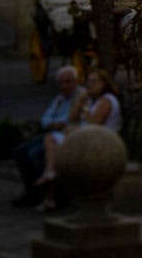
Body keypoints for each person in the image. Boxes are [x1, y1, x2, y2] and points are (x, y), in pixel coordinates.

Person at [37, 68, 121, 212]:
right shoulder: (92, 100)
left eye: (95, 82)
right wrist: (82, 100)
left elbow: (95, 123)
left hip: (100, 142)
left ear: (104, 83)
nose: (91, 85)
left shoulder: (107, 100)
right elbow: (72, 118)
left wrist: (80, 121)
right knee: (51, 141)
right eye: (89, 82)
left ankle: (51, 190)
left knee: (55, 145)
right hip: (86, 138)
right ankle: (50, 181)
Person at [10, 65, 85, 207]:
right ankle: (31, 191)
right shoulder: (59, 99)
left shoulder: (80, 96)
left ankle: (51, 192)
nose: (64, 86)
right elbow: (45, 119)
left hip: (65, 135)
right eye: (61, 83)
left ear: (75, 82)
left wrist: (56, 123)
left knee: (36, 153)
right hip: (52, 132)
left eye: (68, 82)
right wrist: (52, 123)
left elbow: (70, 119)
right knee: (19, 151)